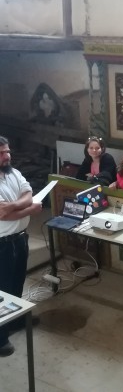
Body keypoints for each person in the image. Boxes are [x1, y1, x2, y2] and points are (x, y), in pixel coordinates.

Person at [0, 136, 43, 357]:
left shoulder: (13, 173)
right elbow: (2, 215)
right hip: (2, 244)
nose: (7, 156)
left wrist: (14, 206)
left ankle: (15, 319)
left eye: (7, 151)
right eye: (1, 153)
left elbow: (28, 192)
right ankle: (0, 337)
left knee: (17, 283)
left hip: (20, 239)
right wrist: (29, 209)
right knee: (2, 290)